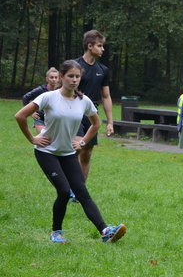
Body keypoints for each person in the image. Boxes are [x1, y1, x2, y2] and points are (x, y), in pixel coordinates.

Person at [13, 60, 126, 244]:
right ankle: (56, 233)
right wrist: (33, 139)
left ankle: (106, 231)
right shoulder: (48, 97)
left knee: (82, 192)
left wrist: (82, 141)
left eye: (77, 76)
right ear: (62, 77)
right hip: (46, 152)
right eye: (70, 76)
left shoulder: (84, 101)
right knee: (64, 191)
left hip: (67, 153)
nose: (74, 80)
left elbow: (96, 123)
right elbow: (20, 115)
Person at [74, 29, 115, 181]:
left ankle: (80, 191)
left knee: (87, 154)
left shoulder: (103, 70)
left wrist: (110, 122)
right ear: (90, 46)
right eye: (99, 46)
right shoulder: (74, 66)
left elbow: (106, 96)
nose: (102, 49)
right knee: (75, 149)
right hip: (74, 115)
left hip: (91, 116)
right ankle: (71, 188)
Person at [22, 67, 61, 133]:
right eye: (51, 77)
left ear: (59, 79)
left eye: (56, 77)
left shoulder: (61, 91)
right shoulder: (40, 90)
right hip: (40, 118)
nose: (54, 79)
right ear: (47, 79)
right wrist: (31, 112)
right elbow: (25, 97)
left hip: (55, 119)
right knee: (43, 139)